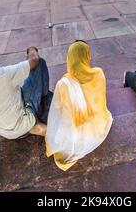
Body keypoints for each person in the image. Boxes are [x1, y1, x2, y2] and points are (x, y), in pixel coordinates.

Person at [46, 41, 113, 171]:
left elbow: (59, 111)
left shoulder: (64, 84)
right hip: (98, 125)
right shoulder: (99, 73)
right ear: (86, 56)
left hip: (77, 132)